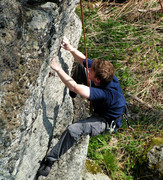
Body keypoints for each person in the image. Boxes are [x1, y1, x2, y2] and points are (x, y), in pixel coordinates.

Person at [38, 37, 126, 176]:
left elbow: (76, 87)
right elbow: (83, 60)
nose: (90, 68)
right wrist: (70, 48)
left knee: (74, 130)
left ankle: (50, 160)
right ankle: (72, 94)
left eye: (92, 70)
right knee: (81, 68)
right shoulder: (105, 75)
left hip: (105, 121)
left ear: (97, 79)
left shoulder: (107, 94)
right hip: (102, 102)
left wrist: (57, 68)